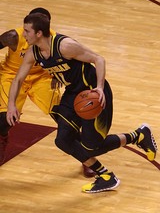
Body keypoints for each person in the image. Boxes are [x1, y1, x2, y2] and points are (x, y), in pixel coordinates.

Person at [7, 13, 157, 193]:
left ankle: (138, 135)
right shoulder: (34, 52)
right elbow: (18, 80)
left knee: (92, 146)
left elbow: (99, 59)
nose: (23, 35)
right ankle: (106, 176)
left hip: (92, 93)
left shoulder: (65, 46)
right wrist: (11, 106)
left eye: (27, 31)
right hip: (73, 95)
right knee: (62, 140)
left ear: (39, 33)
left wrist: (100, 88)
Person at [0, 8, 94, 178]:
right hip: (12, 76)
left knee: (63, 117)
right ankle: (2, 136)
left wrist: (57, 73)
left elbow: (68, 57)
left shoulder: (54, 39)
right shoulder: (14, 36)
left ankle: (88, 159)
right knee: (4, 118)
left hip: (40, 78)